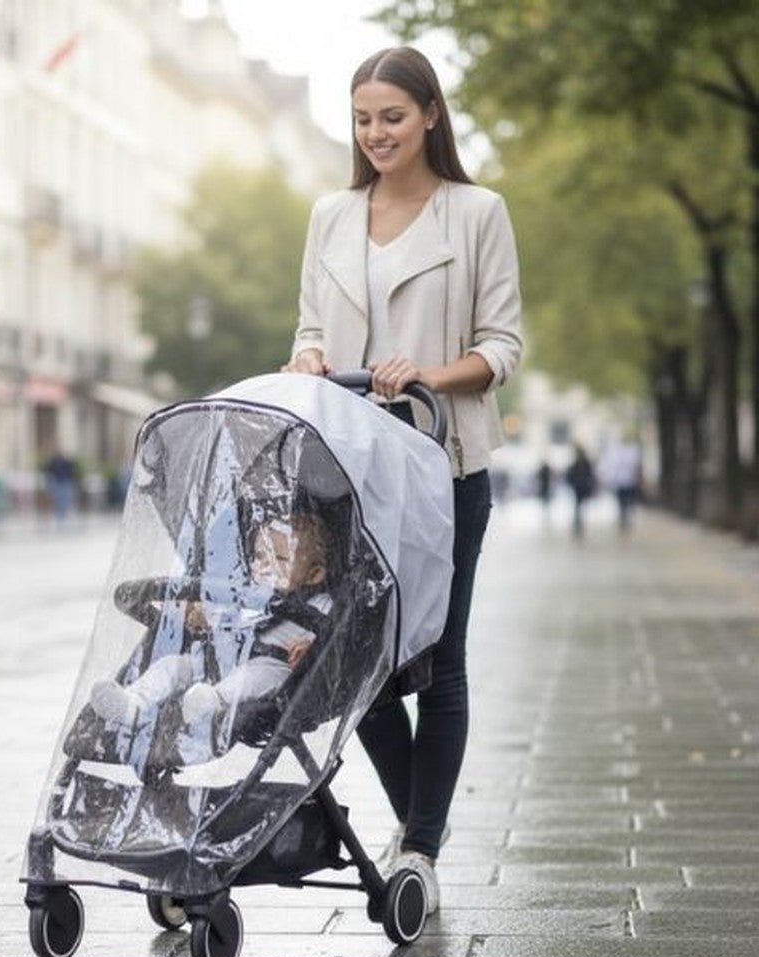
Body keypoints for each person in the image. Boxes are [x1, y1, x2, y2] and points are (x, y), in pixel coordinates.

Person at [282, 46, 523, 913]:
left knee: (438, 657)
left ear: (429, 115)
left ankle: (417, 844)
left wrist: (426, 370)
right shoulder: (332, 216)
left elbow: (502, 347)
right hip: (350, 467)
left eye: (392, 115)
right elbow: (310, 325)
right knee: (361, 665)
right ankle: (421, 826)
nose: (376, 133)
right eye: (362, 119)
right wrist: (309, 355)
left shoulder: (476, 213)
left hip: (444, 463)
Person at [85, 512, 333, 765]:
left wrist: (312, 647)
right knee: (171, 666)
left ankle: (215, 702)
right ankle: (133, 703)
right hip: (215, 662)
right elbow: (220, 620)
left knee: (253, 675)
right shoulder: (243, 591)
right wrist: (200, 615)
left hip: (270, 667)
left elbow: (330, 634)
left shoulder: (319, 603)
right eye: (259, 556)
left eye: (280, 558)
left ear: (313, 574)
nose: (264, 566)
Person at [600, 435, 642, 533]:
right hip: (623, 483)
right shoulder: (628, 453)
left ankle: (625, 518)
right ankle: (624, 518)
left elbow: (635, 468)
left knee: (625, 502)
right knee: (624, 502)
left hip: (627, 483)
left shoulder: (630, 452)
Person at [565, 444, 595, 540]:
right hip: (578, 488)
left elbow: (590, 476)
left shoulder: (584, 464)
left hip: (582, 488)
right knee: (578, 506)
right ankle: (578, 523)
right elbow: (570, 476)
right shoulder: (577, 464)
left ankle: (579, 522)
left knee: (579, 506)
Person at [43, 451, 77, 524]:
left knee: (62, 498)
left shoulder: (60, 462)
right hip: (60, 482)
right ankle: (61, 512)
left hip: (63, 482)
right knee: (61, 498)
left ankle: (62, 512)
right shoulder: (58, 462)